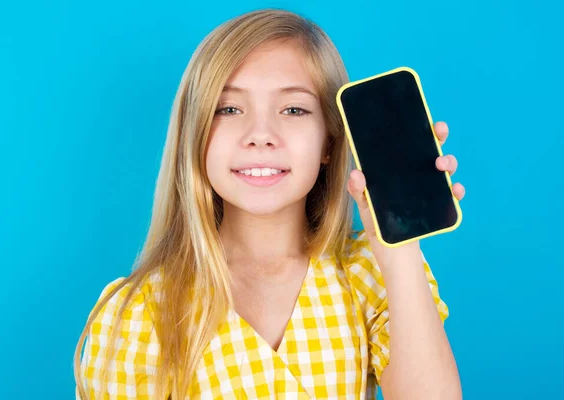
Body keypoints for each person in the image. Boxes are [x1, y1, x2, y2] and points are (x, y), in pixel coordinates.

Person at [74, 8, 466, 400]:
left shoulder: (368, 271)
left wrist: (399, 250)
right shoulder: (138, 311)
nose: (260, 135)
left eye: (293, 109)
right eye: (229, 109)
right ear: (195, 135)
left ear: (329, 141)